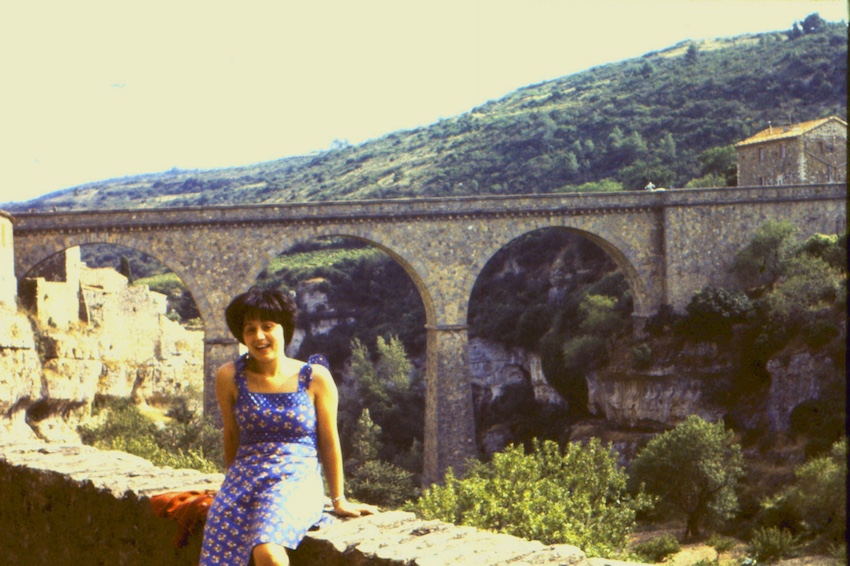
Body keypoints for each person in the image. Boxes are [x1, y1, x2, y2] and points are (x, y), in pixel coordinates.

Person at [200, 287, 375, 566]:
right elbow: (231, 435)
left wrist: (338, 499)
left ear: (285, 329)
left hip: (296, 479)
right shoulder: (229, 376)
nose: (259, 336)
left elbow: (329, 441)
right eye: (249, 329)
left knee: (267, 551)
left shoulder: (315, 377)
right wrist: (229, 484)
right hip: (244, 479)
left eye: (267, 326)